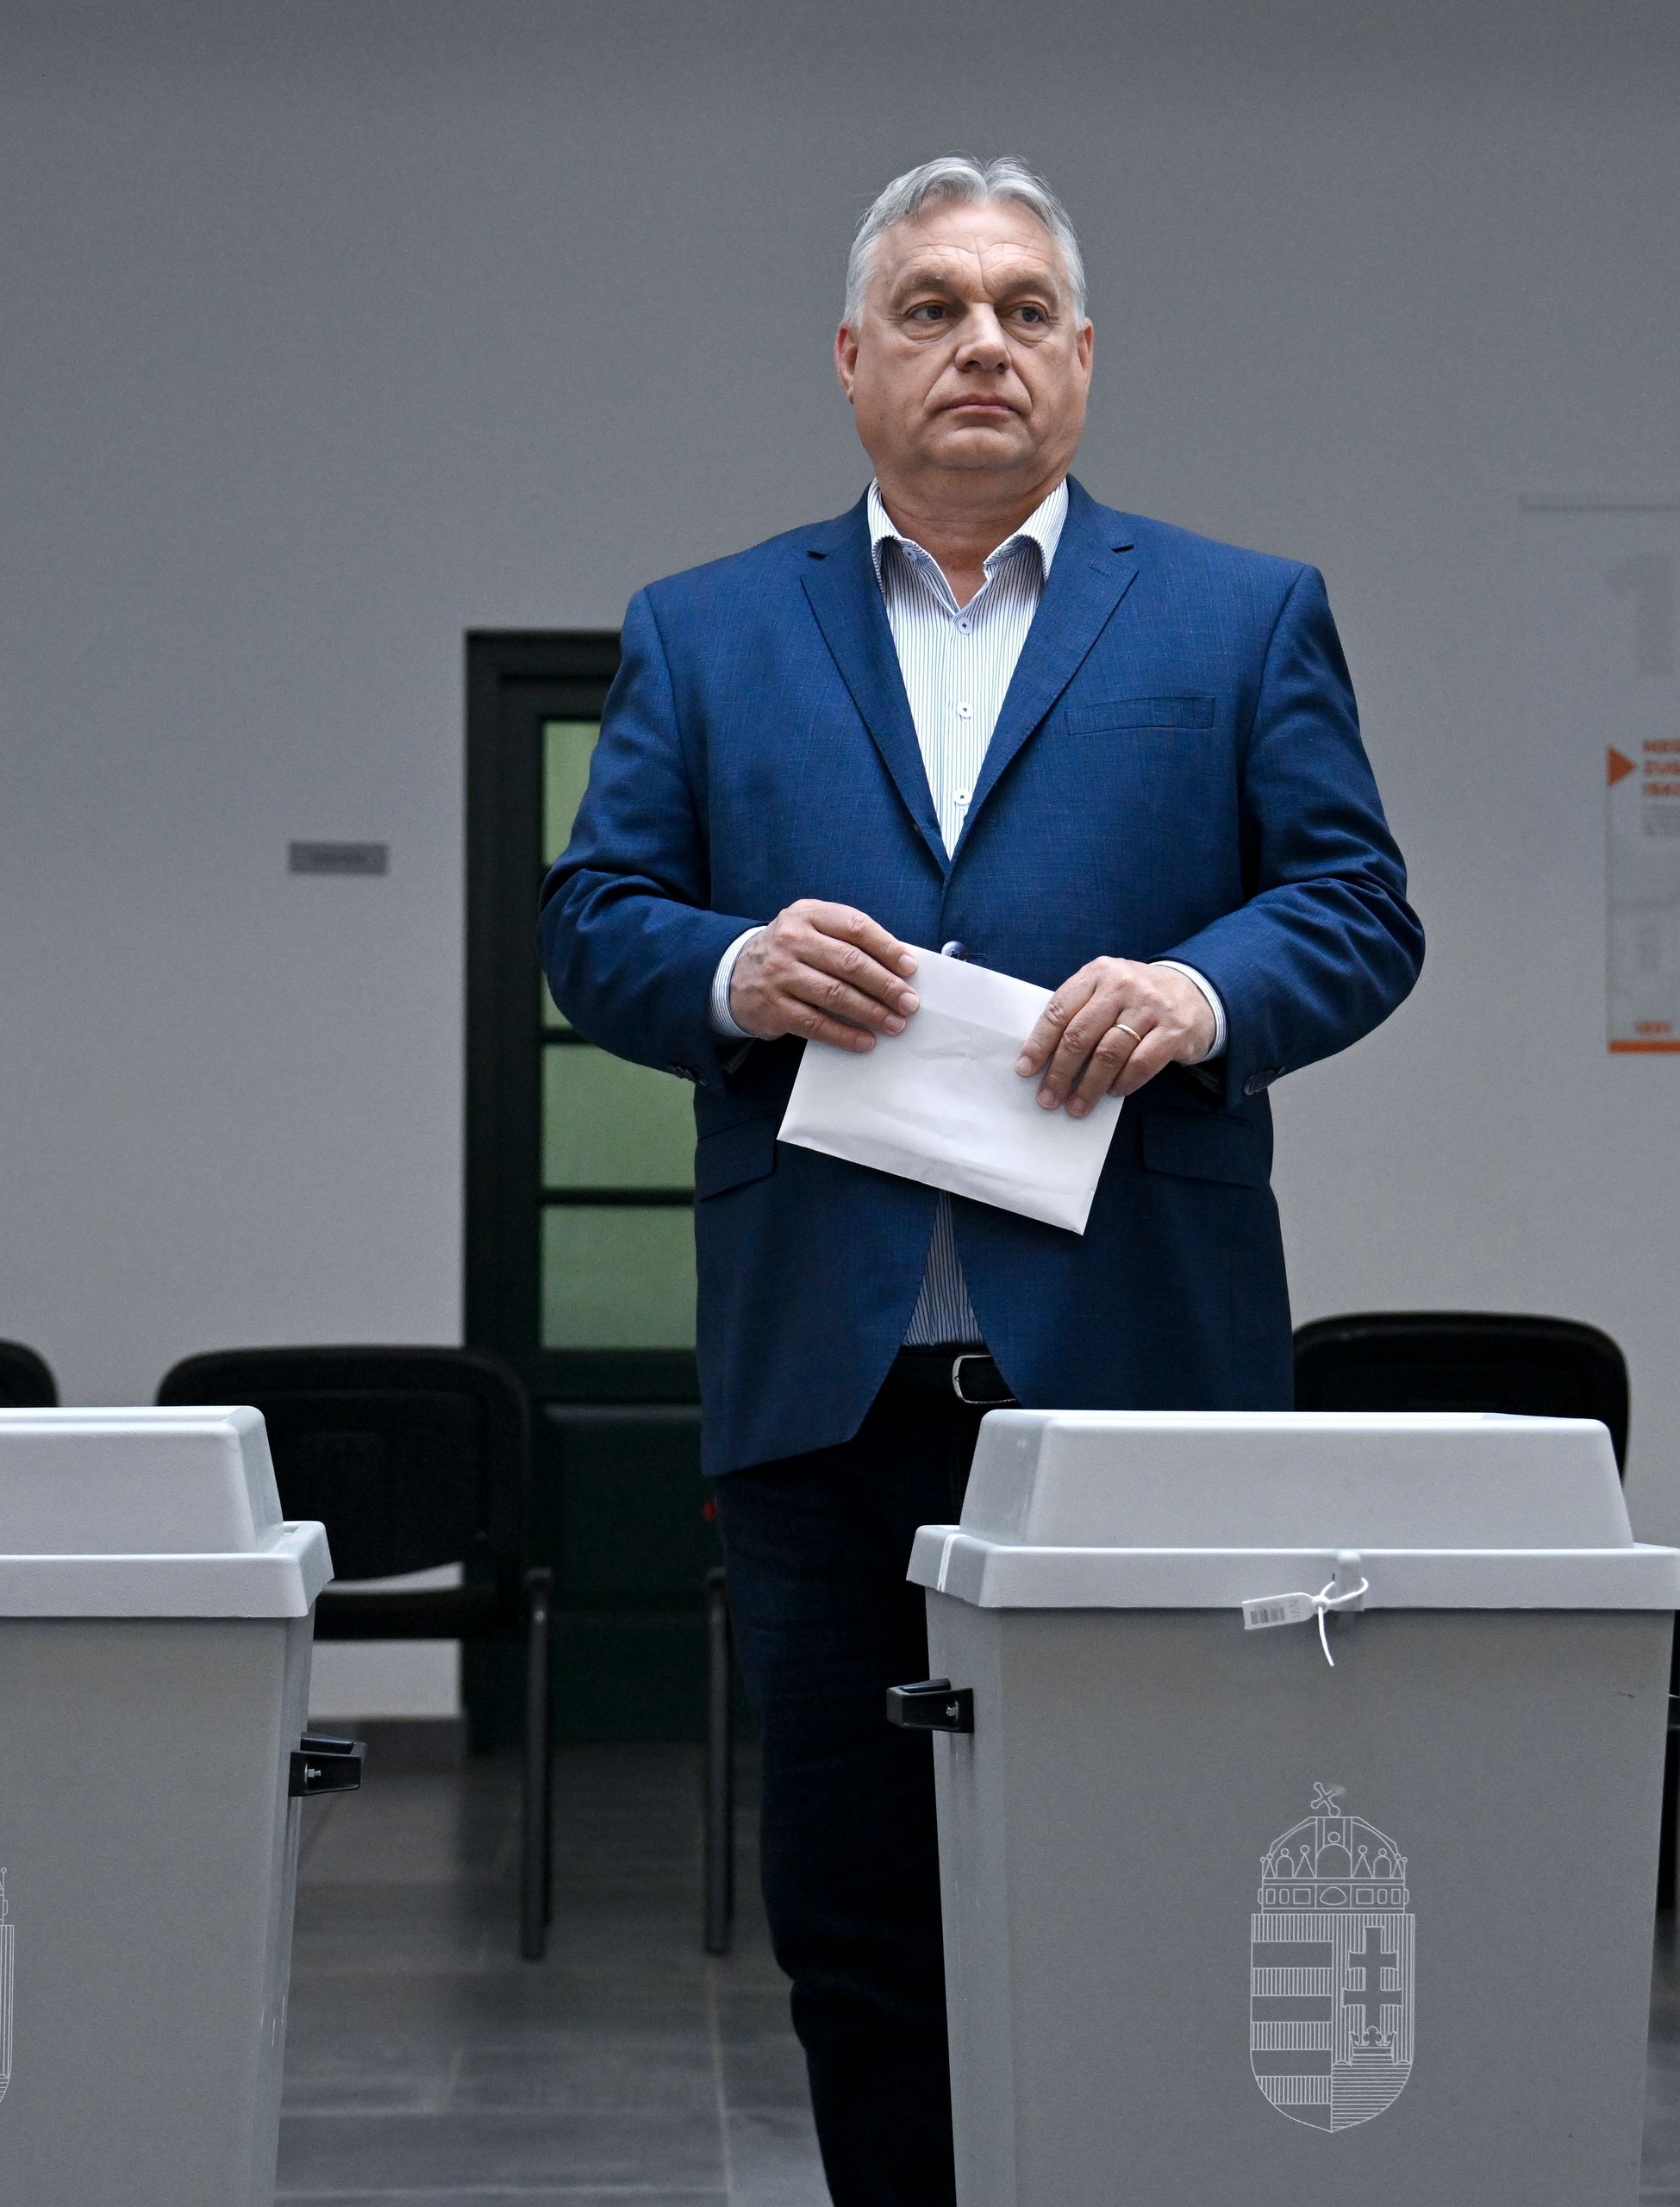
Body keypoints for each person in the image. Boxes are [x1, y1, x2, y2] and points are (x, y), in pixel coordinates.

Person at [538, 154, 1421, 2205]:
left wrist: (1206, 993)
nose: (982, 343)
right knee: (852, 1911)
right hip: (826, 1391)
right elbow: (596, 922)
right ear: (855, 362)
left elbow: (1360, 906)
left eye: (1025, 308)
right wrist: (735, 967)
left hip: (1137, 1377)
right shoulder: (705, 628)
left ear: (1085, 363)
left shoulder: (1238, 614)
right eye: (932, 308)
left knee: (1169, 1882)